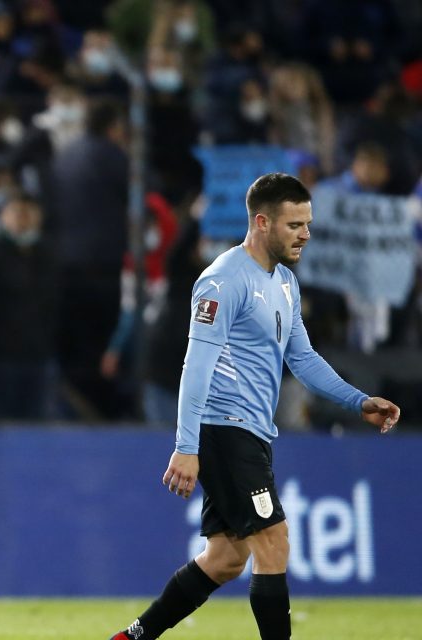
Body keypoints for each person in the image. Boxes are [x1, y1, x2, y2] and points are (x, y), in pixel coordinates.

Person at [110, 173, 401, 640]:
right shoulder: (222, 280)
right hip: (224, 427)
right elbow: (196, 365)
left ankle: (132, 637)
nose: (305, 233)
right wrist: (186, 445)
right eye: (294, 225)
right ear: (262, 223)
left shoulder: (285, 281)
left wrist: (358, 400)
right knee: (274, 540)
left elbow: (301, 357)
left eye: (308, 223)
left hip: (252, 432)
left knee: (226, 559)